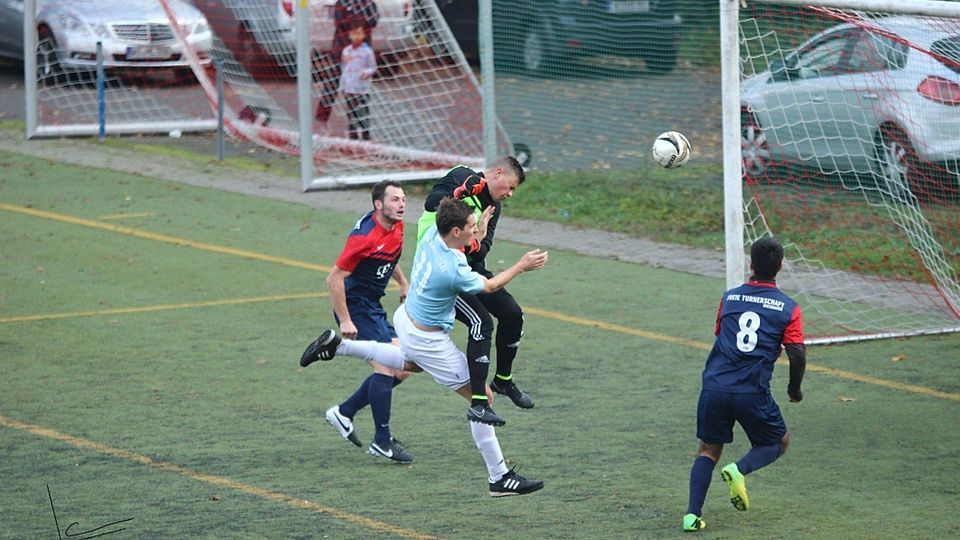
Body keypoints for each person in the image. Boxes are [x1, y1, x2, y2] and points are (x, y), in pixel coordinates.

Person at [302, 198, 549, 496]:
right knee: (484, 399)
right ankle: (499, 476)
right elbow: (489, 287)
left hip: (407, 318)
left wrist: (480, 229)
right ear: (456, 231)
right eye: (470, 228)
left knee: (410, 364)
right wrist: (522, 265)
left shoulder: (433, 230)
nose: (474, 231)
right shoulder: (452, 269)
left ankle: (339, 347)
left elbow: (456, 229)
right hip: (429, 340)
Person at [682, 237, 806, 532]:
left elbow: (721, 333)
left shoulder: (730, 298)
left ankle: (691, 516)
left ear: (751, 264)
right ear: (781, 267)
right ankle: (739, 470)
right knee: (778, 441)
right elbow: (797, 352)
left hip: (715, 387)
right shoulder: (788, 307)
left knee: (708, 451)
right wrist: (794, 389)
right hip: (751, 391)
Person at [301, 180, 414, 464]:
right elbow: (334, 278)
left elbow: (389, 257)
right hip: (355, 307)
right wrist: (346, 321)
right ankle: (382, 442)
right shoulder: (363, 237)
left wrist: (403, 282)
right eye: (395, 200)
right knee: (388, 367)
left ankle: (344, 412)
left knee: (404, 367)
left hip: (372, 306)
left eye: (403, 199)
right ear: (379, 205)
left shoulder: (396, 226)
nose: (401, 205)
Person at [416, 156, 530, 427]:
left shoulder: (495, 206)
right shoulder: (462, 175)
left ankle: (503, 381)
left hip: (468, 267)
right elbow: (431, 203)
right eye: (510, 187)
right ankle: (479, 403)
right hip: (444, 272)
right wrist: (462, 192)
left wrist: (477, 241)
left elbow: (483, 247)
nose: (510, 194)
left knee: (513, 314)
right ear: (498, 172)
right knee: (481, 323)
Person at [315, 0, 379, 125]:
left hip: (361, 54)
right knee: (332, 83)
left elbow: (373, 21)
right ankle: (321, 118)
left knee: (360, 89)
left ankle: (361, 125)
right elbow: (340, 23)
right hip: (342, 49)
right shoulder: (342, 3)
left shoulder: (369, 4)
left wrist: (360, 24)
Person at [339, 21, 376, 141]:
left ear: (364, 35)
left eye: (359, 33)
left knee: (363, 111)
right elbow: (344, 67)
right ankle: (353, 135)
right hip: (350, 87)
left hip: (362, 88)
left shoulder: (367, 51)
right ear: (349, 35)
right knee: (351, 112)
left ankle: (366, 134)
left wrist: (367, 72)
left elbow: (373, 67)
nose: (356, 37)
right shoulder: (346, 51)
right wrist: (343, 85)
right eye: (354, 34)